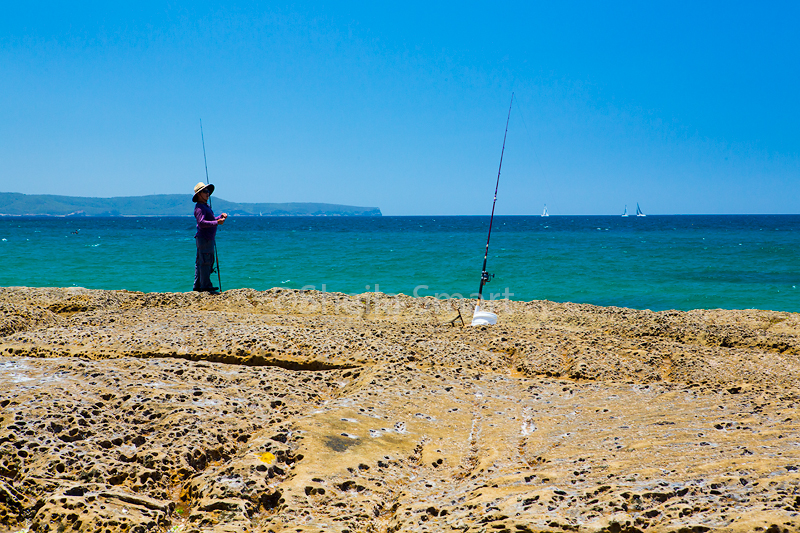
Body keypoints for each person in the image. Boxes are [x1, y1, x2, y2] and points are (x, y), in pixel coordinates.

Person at [192, 182, 228, 293]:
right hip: (205, 238)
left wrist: (219, 218)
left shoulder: (204, 207)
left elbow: (210, 220)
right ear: (199, 194)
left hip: (206, 239)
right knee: (205, 261)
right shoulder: (200, 208)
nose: (208, 193)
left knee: (201, 261)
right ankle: (205, 285)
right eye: (205, 191)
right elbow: (201, 223)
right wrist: (217, 222)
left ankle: (198, 285)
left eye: (208, 191)